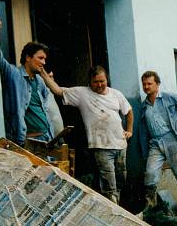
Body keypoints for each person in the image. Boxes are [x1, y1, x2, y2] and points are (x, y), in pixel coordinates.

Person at [42, 66, 133, 204]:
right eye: (96, 82)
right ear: (89, 82)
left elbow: (129, 111)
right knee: (109, 184)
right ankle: (112, 210)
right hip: (101, 147)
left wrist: (129, 130)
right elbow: (58, 91)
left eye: (102, 81)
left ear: (106, 79)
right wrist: (43, 73)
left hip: (120, 144)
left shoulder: (116, 94)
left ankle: (116, 207)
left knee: (121, 180)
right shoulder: (82, 93)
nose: (100, 84)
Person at [138, 70, 177, 216]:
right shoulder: (144, 105)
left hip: (172, 139)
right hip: (155, 143)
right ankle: (150, 208)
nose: (146, 87)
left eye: (149, 84)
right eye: (144, 84)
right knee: (150, 173)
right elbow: (144, 130)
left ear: (157, 84)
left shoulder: (168, 97)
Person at [0, 15, 57, 146]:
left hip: (47, 137)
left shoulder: (39, 81)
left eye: (44, 59)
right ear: (28, 58)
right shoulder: (14, 74)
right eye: (40, 58)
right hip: (27, 141)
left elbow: (45, 106)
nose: (43, 62)